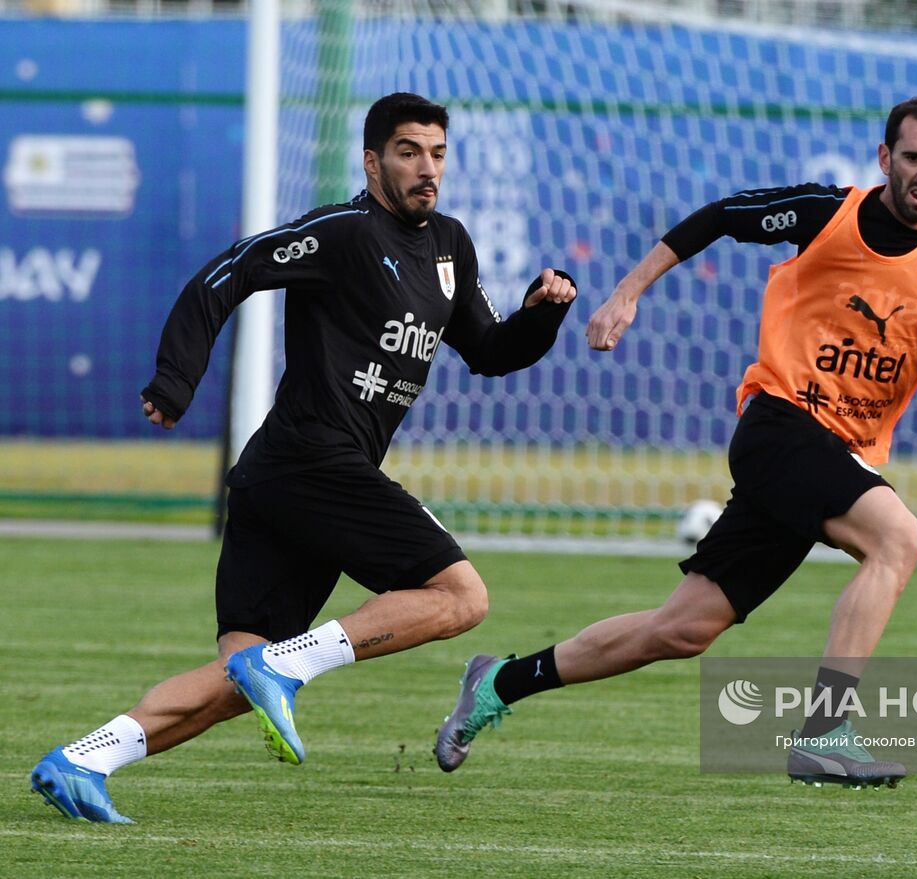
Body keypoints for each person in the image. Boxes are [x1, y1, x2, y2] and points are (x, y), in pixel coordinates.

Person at [433, 98, 917, 789]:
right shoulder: (828, 212)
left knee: (681, 630)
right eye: (912, 158)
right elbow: (722, 216)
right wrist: (626, 294)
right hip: (779, 426)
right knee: (898, 538)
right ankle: (825, 731)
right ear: (884, 158)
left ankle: (498, 682)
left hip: (838, 454)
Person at [29, 92, 578, 823]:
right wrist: (175, 378)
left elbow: (490, 349)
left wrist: (544, 315)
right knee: (462, 597)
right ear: (373, 158)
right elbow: (227, 274)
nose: (427, 169)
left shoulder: (451, 245)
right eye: (409, 151)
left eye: (438, 153)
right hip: (309, 460)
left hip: (284, 481)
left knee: (233, 682)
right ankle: (282, 666)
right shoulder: (344, 232)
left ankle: (81, 760)